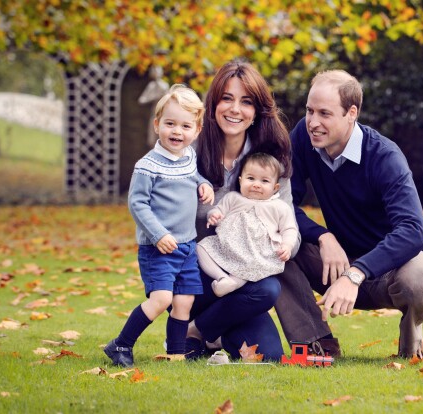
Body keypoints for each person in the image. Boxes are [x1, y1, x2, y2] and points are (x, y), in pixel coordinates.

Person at [274, 70, 423, 359]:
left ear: (351, 113)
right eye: (309, 111)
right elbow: (281, 203)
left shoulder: (385, 157)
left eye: (325, 114)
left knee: (421, 277)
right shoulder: (303, 136)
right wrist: (323, 236)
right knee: (274, 242)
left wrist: (356, 273)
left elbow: (412, 230)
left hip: (391, 272)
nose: (313, 122)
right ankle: (317, 344)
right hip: (337, 263)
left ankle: (410, 344)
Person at [185, 59, 299, 362]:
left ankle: (198, 331)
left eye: (246, 102)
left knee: (269, 350)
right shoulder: (189, 151)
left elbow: (289, 223)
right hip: (194, 274)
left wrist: (282, 244)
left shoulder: (271, 160)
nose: (235, 109)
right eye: (227, 98)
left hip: (245, 280)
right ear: (213, 104)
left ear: (256, 112)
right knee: (256, 290)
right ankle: (204, 326)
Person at [104, 84, 215, 367]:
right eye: (170, 124)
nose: (177, 132)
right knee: (162, 298)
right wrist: (158, 234)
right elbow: (137, 204)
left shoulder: (188, 157)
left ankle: (176, 353)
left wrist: (203, 184)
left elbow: (194, 176)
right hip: (159, 247)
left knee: (184, 302)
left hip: (187, 245)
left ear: (197, 130)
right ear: (157, 125)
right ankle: (120, 345)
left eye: (185, 126)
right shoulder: (147, 165)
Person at [197, 152, 299, 297]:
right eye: (251, 178)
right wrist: (214, 216)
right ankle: (222, 278)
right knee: (201, 248)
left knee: (251, 265)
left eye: (264, 181)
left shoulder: (279, 207)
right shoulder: (233, 198)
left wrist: (287, 245)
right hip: (228, 246)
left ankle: (234, 282)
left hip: (257, 252)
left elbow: (289, 229)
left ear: (275, 187)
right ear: (240, 181)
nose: (256, 184)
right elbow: (218, 211)